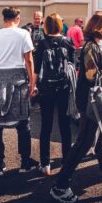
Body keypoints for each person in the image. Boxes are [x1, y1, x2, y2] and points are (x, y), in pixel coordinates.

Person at [50, 14, 102, 203]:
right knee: (84, 143)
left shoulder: (93, 45)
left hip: (91, 98)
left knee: (101, 142)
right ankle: (60, 186)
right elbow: (91, 76)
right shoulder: (91, 47)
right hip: (91, 100)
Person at [0, 7, 39, 176]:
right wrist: (32, 83)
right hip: (18, 79)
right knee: (23, 124)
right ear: (18, 18)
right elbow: (28, 60)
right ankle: (25, 163)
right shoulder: (23, 34)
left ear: (4, 18)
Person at [33, 14, 74, 176]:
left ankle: (45, 164)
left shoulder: (42, 43)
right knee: (65, 125)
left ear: (46, 26)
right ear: (59, 25)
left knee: (46, 125)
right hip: (63, 87)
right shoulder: (68, 42)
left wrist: (33, 86)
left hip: (46, 88)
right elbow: (71, 65)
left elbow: (36, 68)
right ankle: (66, 161)